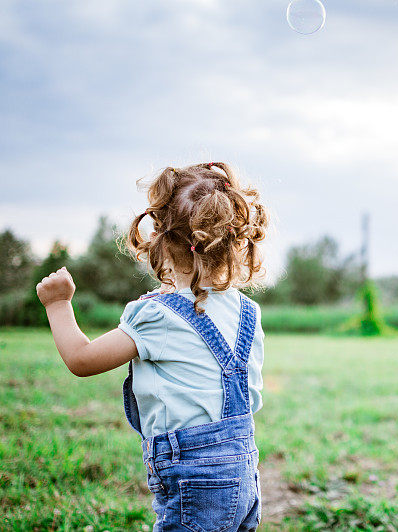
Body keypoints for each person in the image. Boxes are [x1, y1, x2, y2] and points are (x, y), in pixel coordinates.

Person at [35, 162, 270, 530]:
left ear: (161, 239)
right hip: (244, 474)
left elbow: (81, 359)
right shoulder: (247, 312)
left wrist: (58, 304)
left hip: (195, 479)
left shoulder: (157, 316)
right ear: (235, 239)